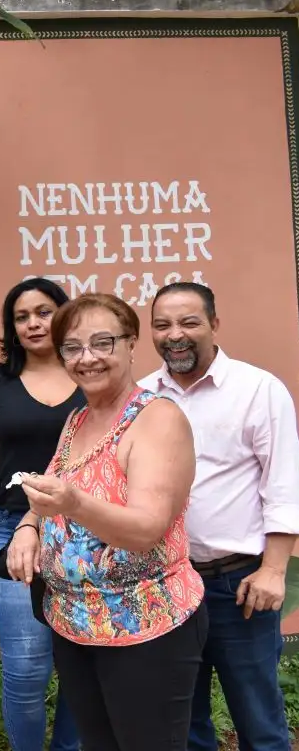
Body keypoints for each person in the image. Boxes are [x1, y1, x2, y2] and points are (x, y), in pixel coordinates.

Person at [7, 292, 207, 751]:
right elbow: (48, 495)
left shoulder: (157, 419)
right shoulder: (77, 420)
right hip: (75, 625)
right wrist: (27, 527)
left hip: (145, 628)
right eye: (73, 348)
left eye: (103, 343)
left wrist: (74, 503)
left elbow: (145, 529)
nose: (87, 358)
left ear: (131, 343)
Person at [140, 282, 299, 751]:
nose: (175, 335)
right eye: (162, 325)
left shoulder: (257, 390)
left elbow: (284, 484)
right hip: (164, 582)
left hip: (239, 586)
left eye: (189, 322)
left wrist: (273, 570)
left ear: (214, 324)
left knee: (259, 721)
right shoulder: (142, 396)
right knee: (183, 722)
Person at [0, 279, 81, 751]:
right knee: (27, 667)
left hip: (85, 533)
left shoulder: (89, 372)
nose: (33, 323)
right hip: (9, 529)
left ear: (64, 315)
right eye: (22, 316)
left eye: (44, 312)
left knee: (80, 662)